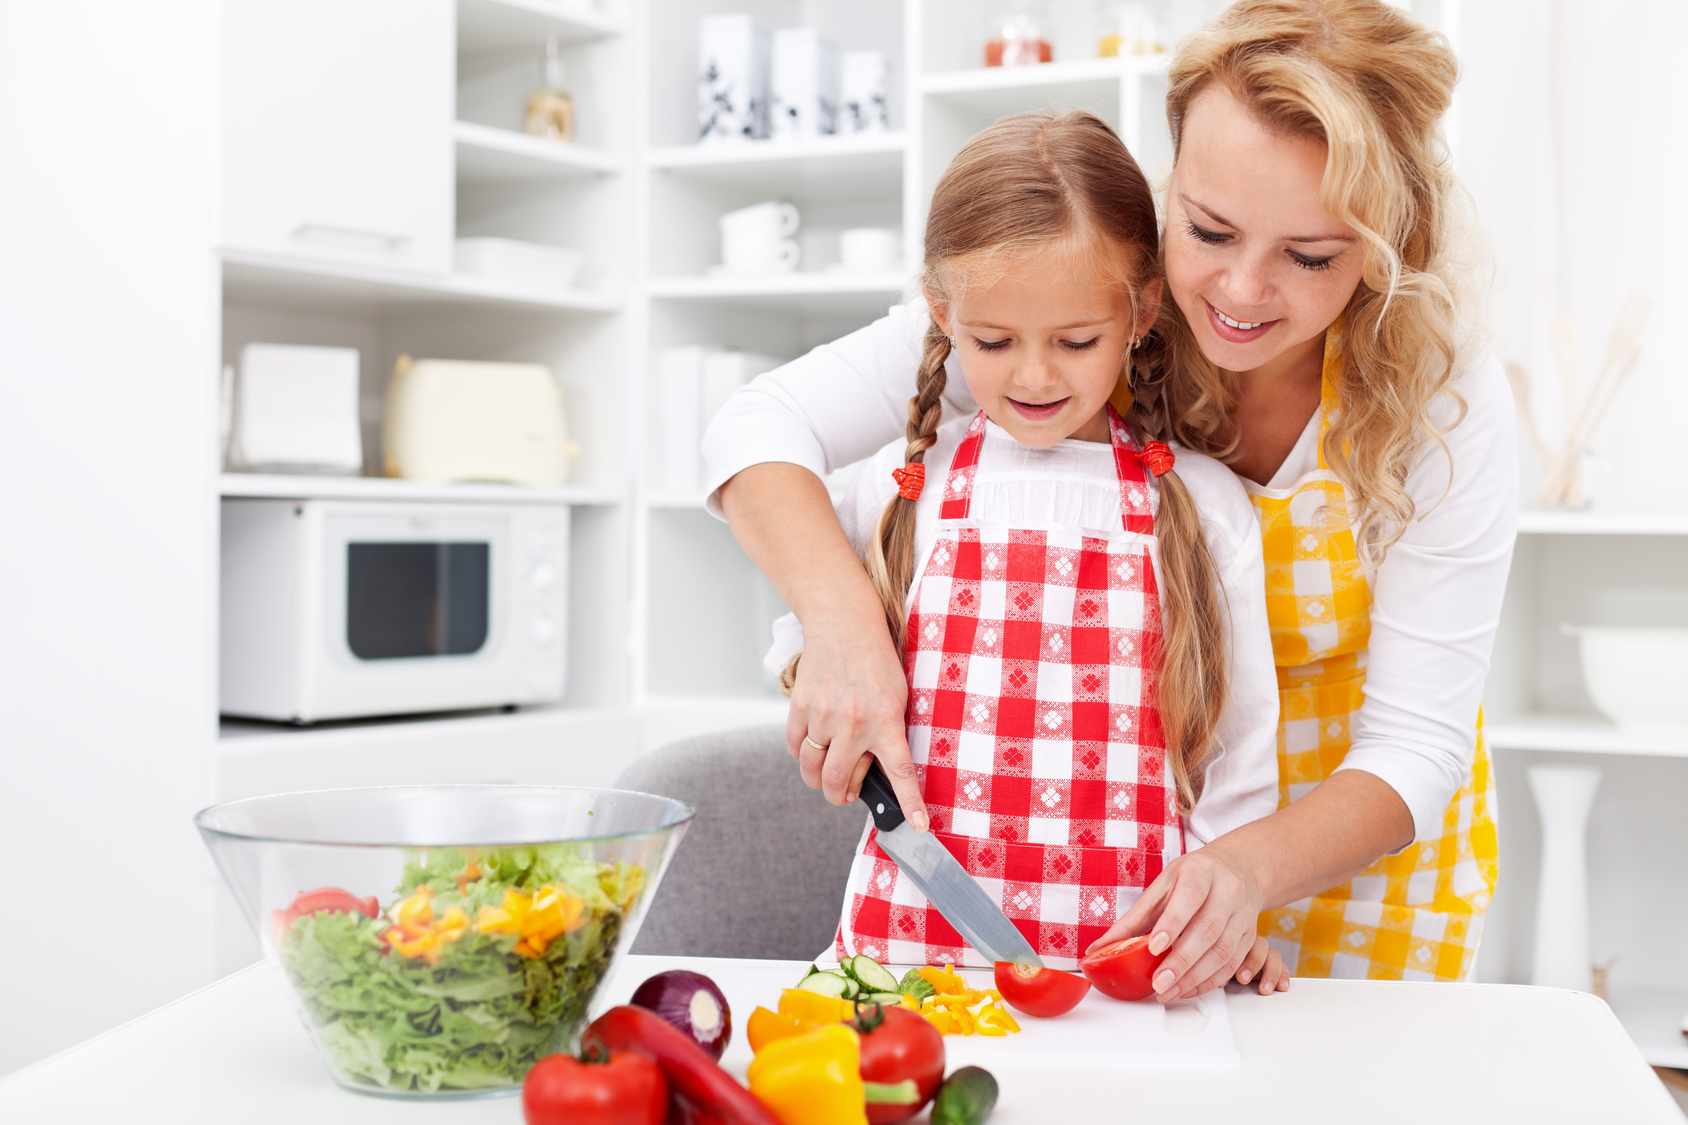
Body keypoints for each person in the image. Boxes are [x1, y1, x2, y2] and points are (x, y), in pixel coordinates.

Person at [706, 0, 1515, 995]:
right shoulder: (1074, 303)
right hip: (1121, 872)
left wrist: (1237, 870)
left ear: (1390, 239)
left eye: (1310, 256)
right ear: (1174, 179)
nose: (1239, 290)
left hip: (1369, 872)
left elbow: (1415, 744)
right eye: (1208, 229)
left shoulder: (1437, 394)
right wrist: (842, 629)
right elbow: (755, 429)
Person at [756, 109, 1287, 989]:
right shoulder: (902, 484)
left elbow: (1240, 757)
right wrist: (819, 682)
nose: (1035, 376)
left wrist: (1221, 918)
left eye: (1076, 341)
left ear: (1142, 310)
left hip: (1131, 965)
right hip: (906, 962)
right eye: (994, 342)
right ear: (941, 313)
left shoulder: (1202, 505)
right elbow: (806, 638)